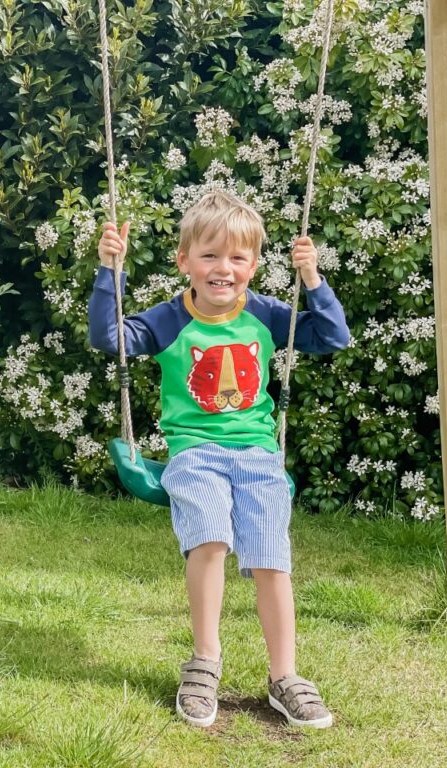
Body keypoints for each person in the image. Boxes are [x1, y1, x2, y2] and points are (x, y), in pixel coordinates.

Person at [88, 190, 349, 728]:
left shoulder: (266, 313)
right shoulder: (167, 320)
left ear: (253, 265)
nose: (222, 269)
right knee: (210, 538)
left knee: (271, 558)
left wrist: (312, 280)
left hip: (257, 454)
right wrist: (108, 272)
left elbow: (332, 336)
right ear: (184, 262)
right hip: (195, 454)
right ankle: (205, 661)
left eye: (236, 258)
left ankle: (285, 676)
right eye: (208, 256)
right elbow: (109, 336)